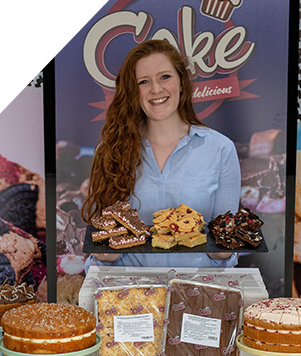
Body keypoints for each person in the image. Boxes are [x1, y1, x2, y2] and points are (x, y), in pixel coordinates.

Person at [82, 39, 241, 270]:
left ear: (181, 83)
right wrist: (105, 253)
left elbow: (224, 249)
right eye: (144, 81)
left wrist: (223, 251)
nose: (156, 89)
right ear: (133, 92)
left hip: (197, 293)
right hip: (129, 294)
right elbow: (105, 252)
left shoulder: (220, 149)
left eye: (165, 77)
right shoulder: (111, 151)